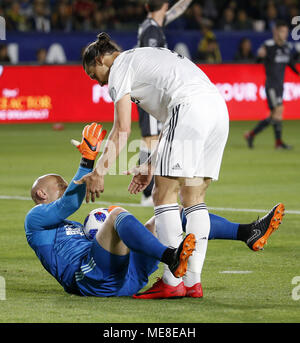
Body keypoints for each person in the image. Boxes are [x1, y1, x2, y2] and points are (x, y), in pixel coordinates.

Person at [77, 32, 228, 299]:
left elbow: (122, 128)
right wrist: (149, 163)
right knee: (194, 198)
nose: (98, 83)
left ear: (101, 59)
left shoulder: (119, 68)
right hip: (217, 110)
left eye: (93, 74)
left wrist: (99, 171)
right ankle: (192, 282)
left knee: (163, 195)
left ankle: (172, 281)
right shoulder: (142, 59)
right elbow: (173, 123)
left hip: (190, 107)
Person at [25, 122, 196, 297]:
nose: (66, 186)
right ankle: (170, 257)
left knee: (168, 215)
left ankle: (215, 243)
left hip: (126, 279)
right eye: (60, 185)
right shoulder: (34, 219)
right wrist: (87, 160)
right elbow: (68, 204)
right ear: (42, 193)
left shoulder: (71, 225)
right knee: (115, 215)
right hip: (92, 279)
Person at [137, 0, 193, 206]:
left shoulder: (151, 24)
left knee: (154, 139)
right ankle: (147, 193)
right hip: (150, 92)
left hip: (152, 93)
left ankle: (150, 190)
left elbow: (175, 11)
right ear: (165, 5)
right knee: (150, 139)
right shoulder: (152, 31)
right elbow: (151, 63)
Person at [244, 20, 300, 149]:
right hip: (271, 86)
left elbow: (291, 64)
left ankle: (253, 135)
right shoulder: (268, 46)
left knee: (275, 115)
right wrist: (259, 56)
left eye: (286, 32)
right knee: (278, 111)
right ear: (276, 32)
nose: (285, 34)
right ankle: (275, 142)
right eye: (282, 31)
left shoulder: (286, 47)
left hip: (280, 86)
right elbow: (257, 61)